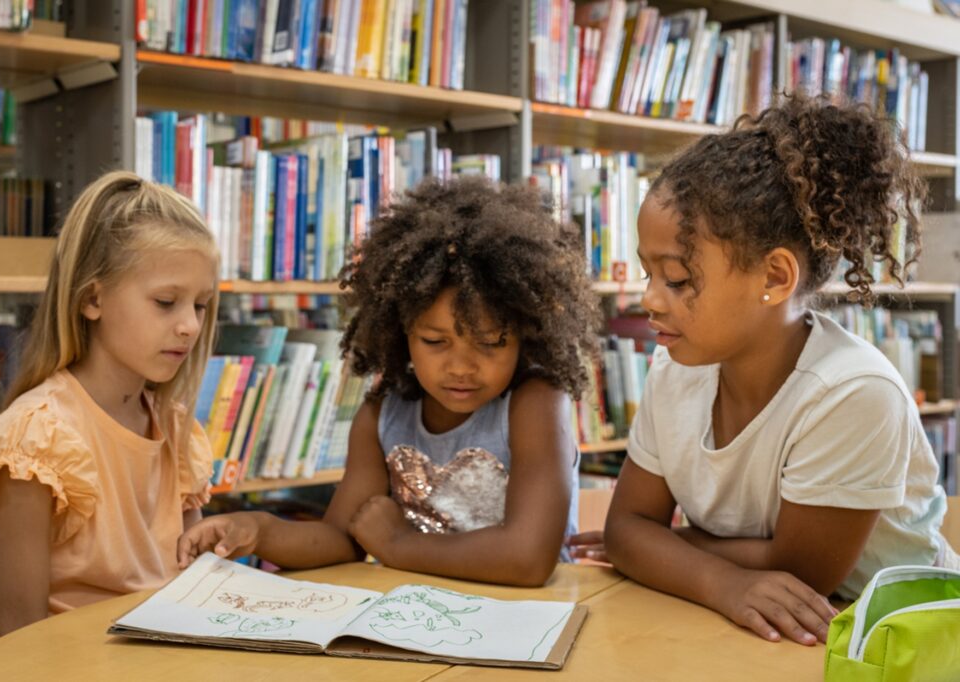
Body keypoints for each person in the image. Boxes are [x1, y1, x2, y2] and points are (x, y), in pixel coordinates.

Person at [587, 94, 952, 646]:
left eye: (678, 280)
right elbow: (625, 532)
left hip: (895, 636)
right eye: (647, 274)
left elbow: (802, 577)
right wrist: (717, 577)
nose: (649, 301)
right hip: (763, 630)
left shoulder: (854, 392)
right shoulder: (675, 367)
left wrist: (672, 546)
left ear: (775, 278)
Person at [178, 175, 600, 586]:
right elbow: (340, 539)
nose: (461, 366)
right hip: (421, 623)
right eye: (435, 341)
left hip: (530, 627)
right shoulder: (383, 414)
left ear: (526, 336)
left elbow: (527, 559)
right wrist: (258, 529)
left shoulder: (536, 404)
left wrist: (398, 544)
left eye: (489, 343)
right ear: (401, 332)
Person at [0, 171, 219, 639]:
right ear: (92, 299)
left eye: (199, 306)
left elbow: (193, 590)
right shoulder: (37, 437)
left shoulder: (175, 429)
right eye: (165, 302)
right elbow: (20, 635)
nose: (189, 327)